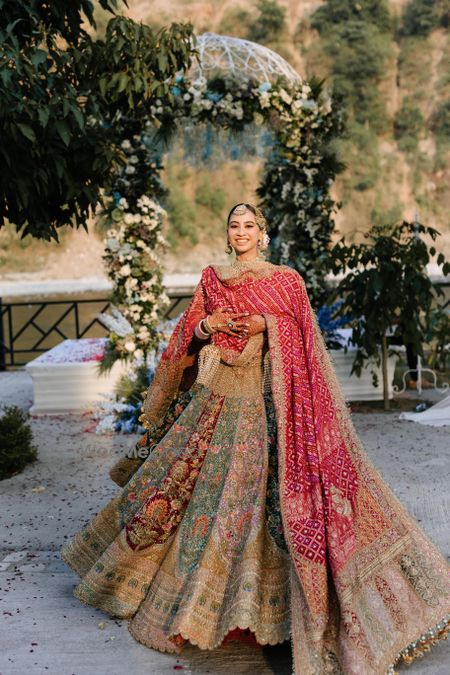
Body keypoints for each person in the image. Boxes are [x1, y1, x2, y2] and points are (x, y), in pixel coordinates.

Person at [61, 203, 450, 675]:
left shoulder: (285, 280)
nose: (241, 232)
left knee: (264, 501)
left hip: (275, 407)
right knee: (203, 496)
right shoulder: (212, 277)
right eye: (234, 225)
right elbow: (190, 329)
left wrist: (268, 324)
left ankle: (279, 615)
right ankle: (199, 606)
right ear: (227, 233)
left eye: (250, 226)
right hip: (219, 401)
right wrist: (209, 326)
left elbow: (304, 333)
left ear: (263, 235)